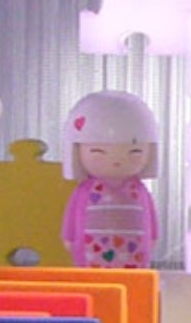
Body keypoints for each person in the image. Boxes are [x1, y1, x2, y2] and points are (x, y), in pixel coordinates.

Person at [60, 90, 159, 268]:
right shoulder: (84, 190)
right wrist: (69, 236)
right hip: (89, 255)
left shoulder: (139, 190)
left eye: (134, 152)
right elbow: (72, 213)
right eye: (98, 152)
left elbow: (150, 214)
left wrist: (153, 235)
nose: (116, 161)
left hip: (135, 253)